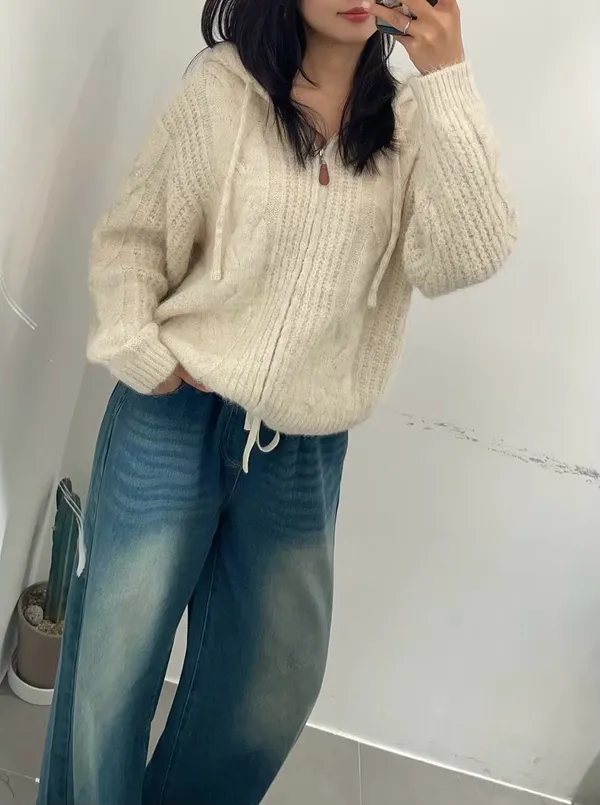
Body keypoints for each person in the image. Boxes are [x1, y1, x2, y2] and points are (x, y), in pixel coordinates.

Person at [38, 0, 518, 802]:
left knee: (274, 683)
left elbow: (466, 255)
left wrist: (447, 77)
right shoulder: (223, 90)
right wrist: (142, 350)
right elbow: (133, 240)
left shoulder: (409, 125)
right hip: (173, 421)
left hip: (302, 450)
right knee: (111, 671)